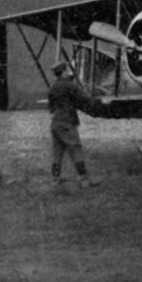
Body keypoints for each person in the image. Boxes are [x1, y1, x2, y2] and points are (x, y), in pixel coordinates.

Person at [48, 60, 102, 188]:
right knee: (76, 148)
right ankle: (84, 180)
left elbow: (51, 108)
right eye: (67, 70)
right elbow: (84, 99)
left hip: (55, 123)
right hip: (67, 122)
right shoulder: (69, 85)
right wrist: (98, 102)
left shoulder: (53, 87)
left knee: (57, 152)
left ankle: (55, 180)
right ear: (64, 71)